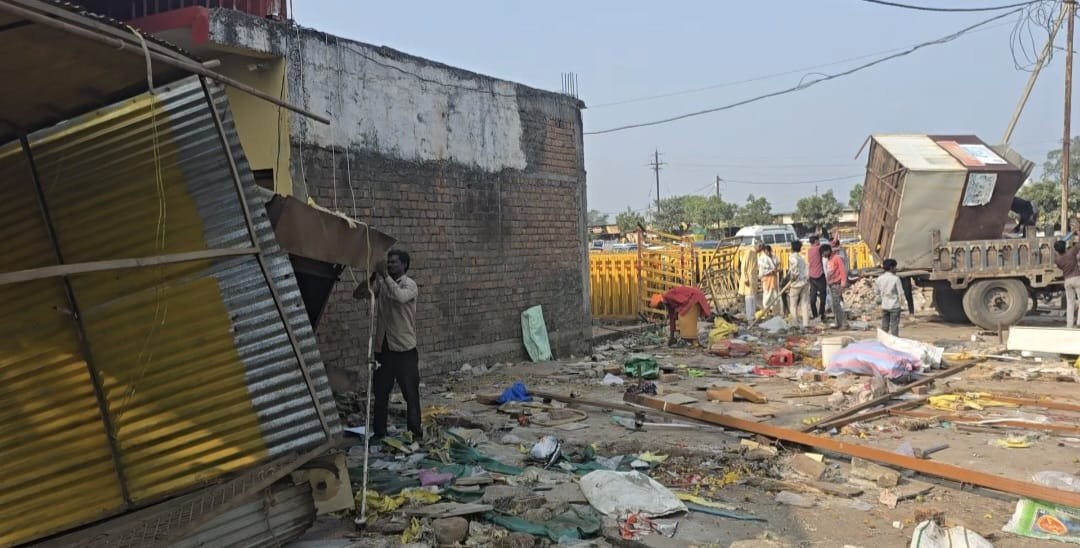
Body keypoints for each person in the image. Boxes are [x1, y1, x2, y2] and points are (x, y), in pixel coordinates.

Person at [353, 249, 421, 440]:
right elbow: (358, 294)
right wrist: (373, 276)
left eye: (394, 263)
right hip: (383, 350)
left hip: (404, 349)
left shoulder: (410, 285)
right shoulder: (382, 286)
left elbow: (399, 297)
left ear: (404, 265)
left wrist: (384, 276)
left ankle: (415, 432)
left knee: (410, 394)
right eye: (388, 262)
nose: (390, 265)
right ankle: (379, 432)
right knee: (381, 393)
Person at [1054, 238, 1080, 328]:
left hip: (1067, 281)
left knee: (1070, 303)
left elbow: (1061, 267)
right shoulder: (1071, 252)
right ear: (1065, 247)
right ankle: (1079, 322)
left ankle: (1069, 324)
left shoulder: (1057, 260)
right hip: (1077, 278)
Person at [822, 244, 848, 329]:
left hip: (837, 284)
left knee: (838, 305)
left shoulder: (836, 258)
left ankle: (844, 323)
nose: (823, 255)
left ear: (828, 251)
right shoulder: (828, 260)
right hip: (831, 285)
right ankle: (838, 322)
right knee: (834, 305)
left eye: (823, 253)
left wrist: (843, 284)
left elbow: (842, 270)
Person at [875, 259, 903, 336]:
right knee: (894, 326)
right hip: (895, 306)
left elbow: (877, 292)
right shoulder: (896, 279)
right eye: (895, 267)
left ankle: (883, 341)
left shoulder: (879, 279)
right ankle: (894, 342)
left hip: (885, 306)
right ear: (891, 268)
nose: (896, 269)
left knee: (884, 326)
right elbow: (901, 293)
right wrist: (902, 305)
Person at [788, 240, 811, 328]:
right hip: (804, 282)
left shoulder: (792, 257)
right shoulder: (802, 258)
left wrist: (793, 277)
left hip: (796, 284)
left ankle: (795, 324)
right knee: (804, 304)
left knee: (793, 305)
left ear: (792, 248)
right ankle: (806, 323)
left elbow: (794, 269)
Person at [739, 240, 763, 320]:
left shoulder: (755, 253)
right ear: (758, 246)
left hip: (753, 277)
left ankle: (752, 315)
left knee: (753, 297)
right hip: (748, 277)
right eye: (761, 248)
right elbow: (743, 266)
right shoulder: (748, 252)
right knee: (749, 297)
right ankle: (749, 317)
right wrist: (745, 278)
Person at [807, 235, 827, 320]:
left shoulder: (809, 250)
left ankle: (815, 315)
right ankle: (821, 314)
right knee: (823, 297)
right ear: (816, 241)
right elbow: (828, 250)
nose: (819, 242)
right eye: (818, 240)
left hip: (811, 276)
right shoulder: (819, 248)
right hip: (820, 275)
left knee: (812, 298)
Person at [759, 244, 780, 317]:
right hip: (766, 278)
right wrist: (771, 271)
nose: (767, 253)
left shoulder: (774, 257)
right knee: (767, 295)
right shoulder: (762, 258)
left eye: (768, 251)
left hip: (773, 278)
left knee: (774, 295)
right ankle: (766, 310)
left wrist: (775, 269)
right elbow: (763, 270)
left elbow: (777, 265)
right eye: (766, 251)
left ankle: (775, 311)